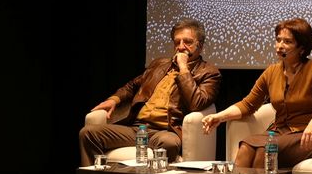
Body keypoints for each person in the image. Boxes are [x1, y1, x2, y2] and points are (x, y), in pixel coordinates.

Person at [202, 18, 312, 168]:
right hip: (279, 132)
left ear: (302, 48)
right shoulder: (272, 71)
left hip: (307, 136)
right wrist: (219, 117)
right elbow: (248, 104)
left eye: (287, 42)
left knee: (264, 151)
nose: (279, 46)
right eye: (278, 40)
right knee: (246, 146)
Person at [79, 18, 221, 166]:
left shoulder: (209, 73)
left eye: (187, 42)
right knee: (88, 133)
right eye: (177, 42)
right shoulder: (159, 64)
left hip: (165, 131)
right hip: (137, 128)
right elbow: (133, 85)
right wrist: (114, 99)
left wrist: (183, 68)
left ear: (200, 45)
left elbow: (196, 104)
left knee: (169, 143)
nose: (181, 47)